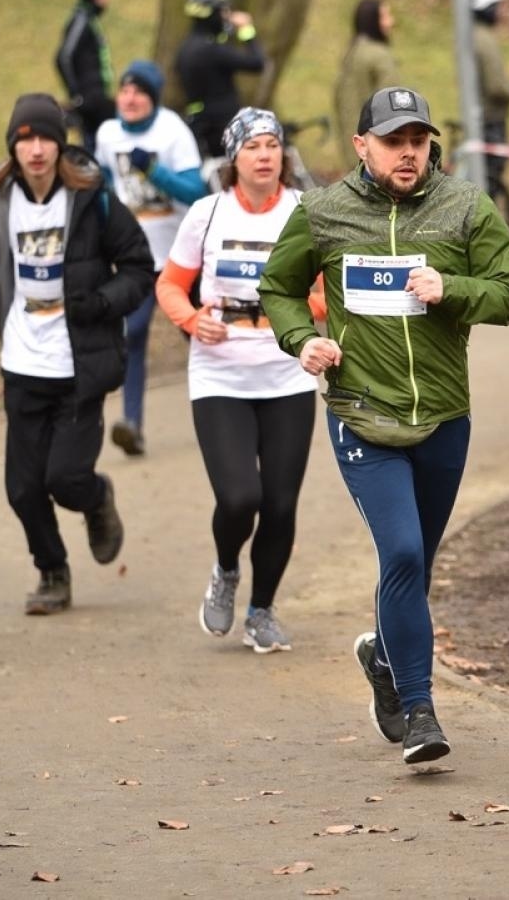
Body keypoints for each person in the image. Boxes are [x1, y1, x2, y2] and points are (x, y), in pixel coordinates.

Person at [259, 86, 509, 765]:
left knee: (418, 565)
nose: (408, 153)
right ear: (362, 146)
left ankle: (384, 657)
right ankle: (420, 712)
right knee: (402, 553)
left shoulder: (465, 207)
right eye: (393, 141)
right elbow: (279, 288)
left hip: (443, 416)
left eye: (418, 140)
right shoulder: (322, 212)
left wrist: (451, 288)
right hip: (362, 415)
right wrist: (302, 340)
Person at [0, 94, 154, 615]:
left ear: (60, 144)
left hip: (78, 365)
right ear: (13, 146)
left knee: (66, 479)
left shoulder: (91, 197)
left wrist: (101, 302)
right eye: (25, 139)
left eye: (45, 139)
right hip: (23, 363)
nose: (35, 150)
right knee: (23, 490)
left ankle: (97, 498)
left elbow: (139, 267)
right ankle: (52, 572)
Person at [155, 108, 324, 651]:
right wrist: (190, 319)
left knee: (280, 504)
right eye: (253, 146)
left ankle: (262, 610)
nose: (265, 156)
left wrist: (294, 311)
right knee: (239, 497)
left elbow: (328, 292)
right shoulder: (206, 214)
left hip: (286, 374)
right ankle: (227, 568)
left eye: (273, 145)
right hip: (220, 375)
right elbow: (170, 285)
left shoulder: (305, 212)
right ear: (234, 157)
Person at [93, 59, 209, 456]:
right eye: (124, 91)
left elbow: (196, 191)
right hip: (136, 259)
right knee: (133, 332)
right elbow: (104, 185)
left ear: (153, 99)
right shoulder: (107, 134)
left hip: (180, 258)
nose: (130, 99)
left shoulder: (172, 131)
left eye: (139, 92)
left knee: (199, 335)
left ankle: (224, 413)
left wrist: (154, 170)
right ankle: (131, 424)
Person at [175, 0, 266, 159]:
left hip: (199, 121)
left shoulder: (186, 48)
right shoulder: (212, 50)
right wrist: (247, 30)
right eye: (223, 12)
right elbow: (257, 63)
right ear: (212, 15)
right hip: (222, 125)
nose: (228, 17)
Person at [467, 0, 509, 215]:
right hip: (491, 119)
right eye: (496, 6)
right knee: (490, 182)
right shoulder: (485, 40)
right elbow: (496, 86)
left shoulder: (472, 36)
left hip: (480, 116)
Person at [56, 0, 117, 149]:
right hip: (91, 101)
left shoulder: (89, 19)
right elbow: (64, 56)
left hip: (98, 97)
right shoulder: (81, 20)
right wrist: (77, 95)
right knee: (95, 148)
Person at [332, 0, 398, 169]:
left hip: (353, 142)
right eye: (385, 16)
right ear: (373, 21)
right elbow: (391, 105)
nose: (391, 22)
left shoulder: (351, 53)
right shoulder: (379, 56)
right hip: (378, 146)